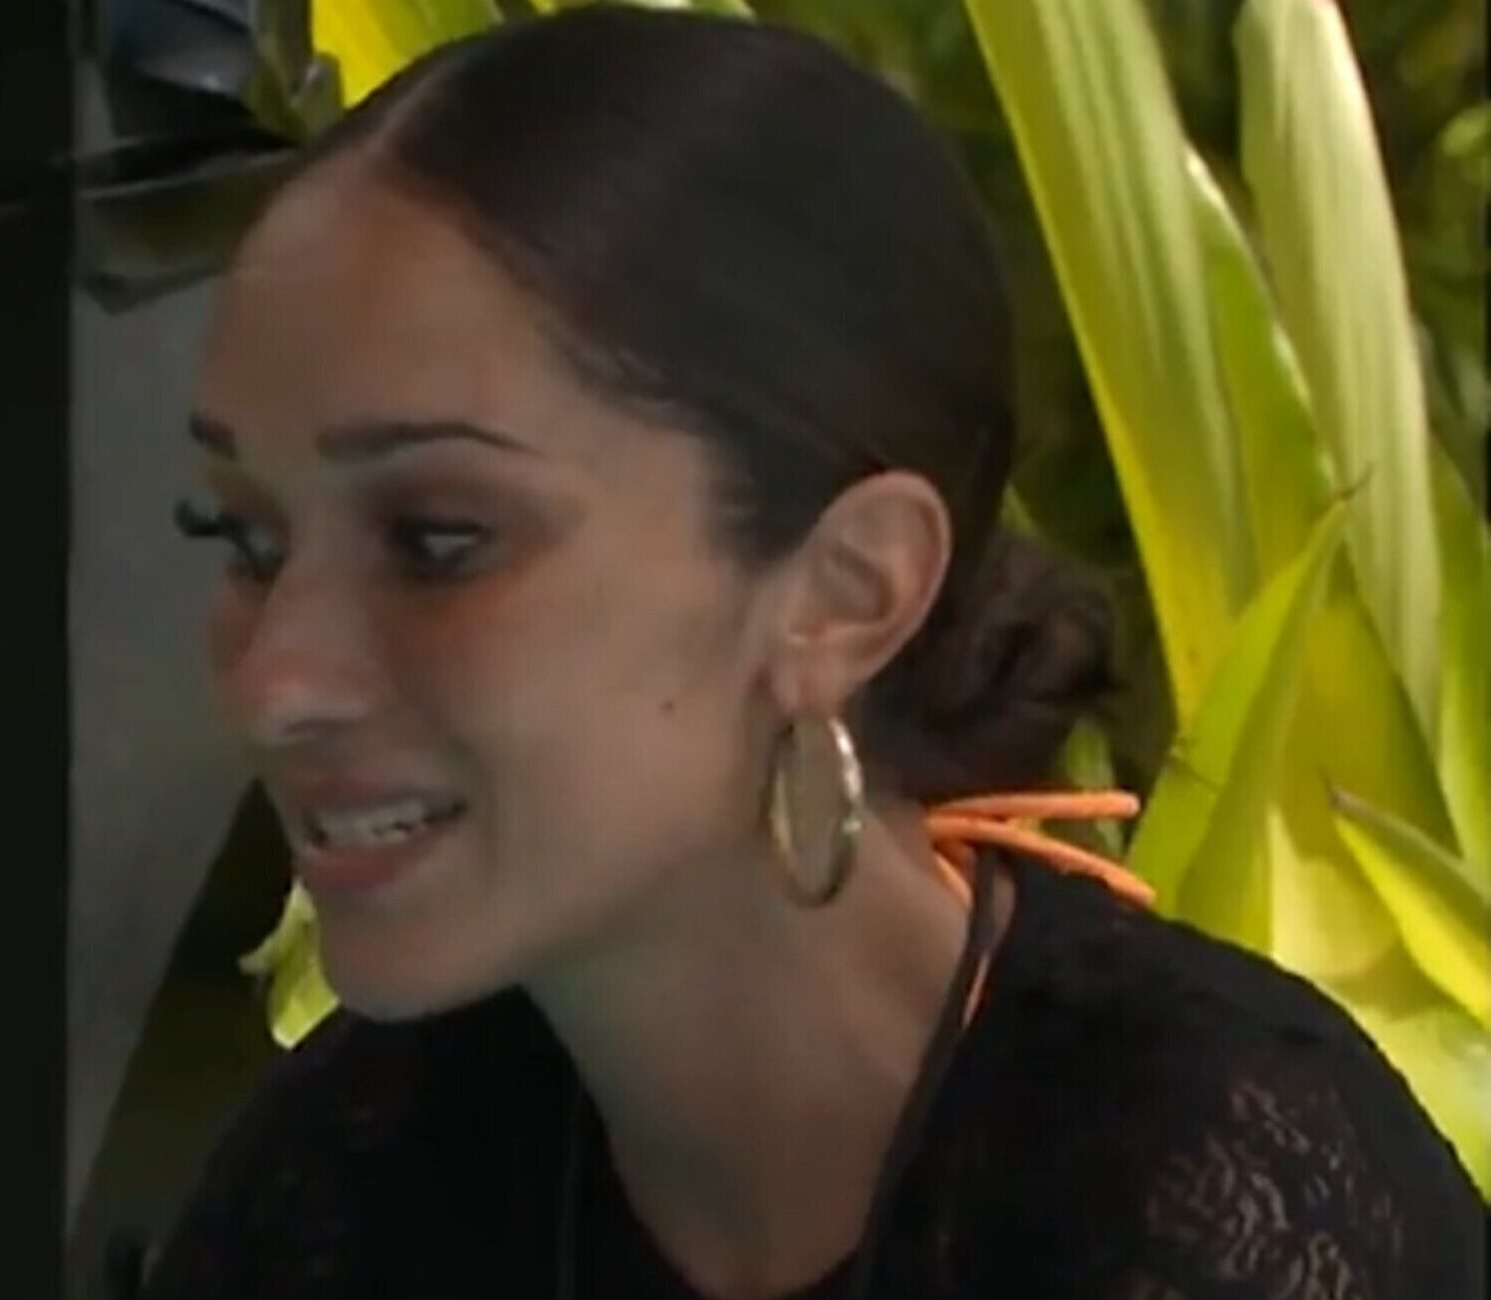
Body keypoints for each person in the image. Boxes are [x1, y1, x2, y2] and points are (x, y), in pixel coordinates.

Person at [142, 6, 1488, 1297]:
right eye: (248, 539)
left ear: (847, 593)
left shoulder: (1197, 1192)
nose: (276, 683)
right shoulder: (344, 1185)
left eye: (439, 542)